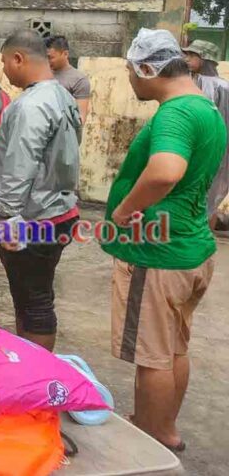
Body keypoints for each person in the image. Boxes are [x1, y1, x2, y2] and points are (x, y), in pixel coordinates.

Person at [105, 29, 226, 453]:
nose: (130, 81)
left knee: (151, 353)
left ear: (147, 68)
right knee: (174, 347)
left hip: (157, 254)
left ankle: (152, 436)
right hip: (191, 248)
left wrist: (124, 212)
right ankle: (162, 426)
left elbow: (165, 171)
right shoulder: (206, 109)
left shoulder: (174, 113)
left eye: (130, 72)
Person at [0, 29, 81, 352]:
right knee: (29, 298)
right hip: (60, 209)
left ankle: (37, 380)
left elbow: (20, 164)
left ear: (19, 58)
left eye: (4, 63)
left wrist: (8, 216)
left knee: (35, 302)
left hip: (33, 217)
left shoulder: (32, 105)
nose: (5, 71)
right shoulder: (61, 96)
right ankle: (26, 368)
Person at [183, 39, 229, 228]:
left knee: (204, 196)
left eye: (192, 55)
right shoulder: (205, 83)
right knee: (206, 197)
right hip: (212, 150)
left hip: (210, 150)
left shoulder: (213, 86)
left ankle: (200, 241)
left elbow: (203, 120)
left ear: (205, 58)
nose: (187, 59)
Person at [44, 35, 90, 124]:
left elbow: (80, 119)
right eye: (45, 57)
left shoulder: (79, 80)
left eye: (50, 57)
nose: (47, 61)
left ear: (65, 54)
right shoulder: (41, 74)